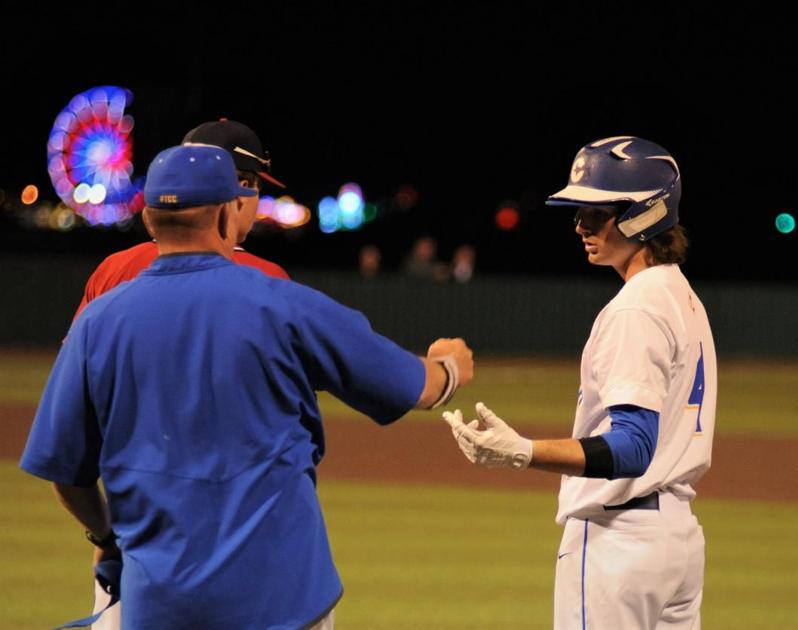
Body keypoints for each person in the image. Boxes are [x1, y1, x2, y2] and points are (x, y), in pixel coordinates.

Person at [21, 144, 474, 630]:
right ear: (224, 216)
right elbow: (413, 386)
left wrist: (107, 536)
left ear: (150, 221)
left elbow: (66, 474)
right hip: (286, 601)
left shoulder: (98, 323)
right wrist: (448, 367)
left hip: (159, 605)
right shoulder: (280, 303)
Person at [443, 136, 716, 629]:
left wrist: (523, 450)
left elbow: (633, 448)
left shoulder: (637, 307)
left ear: (643, 215)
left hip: (620, 542)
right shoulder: (683, 296)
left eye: (596, 213)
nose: (579, 225)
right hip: (677, 543)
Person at [74, 118, 289, 319]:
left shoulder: (114, 268)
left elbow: (77, 356)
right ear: (241, 191)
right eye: (258, 188)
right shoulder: (267, 279)